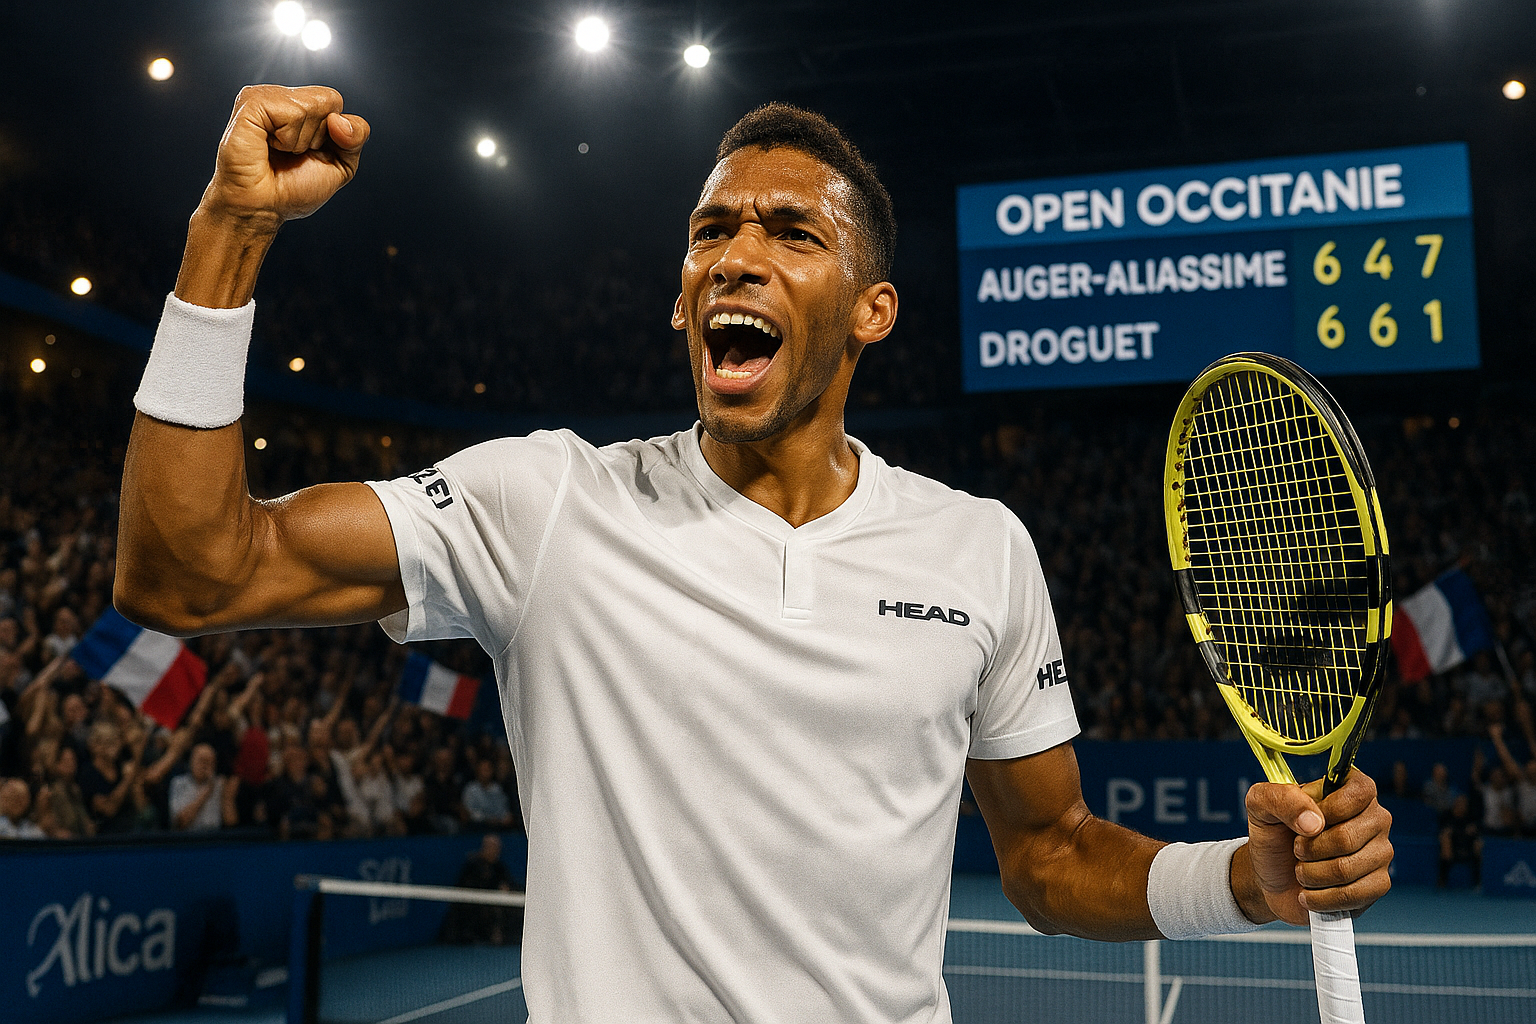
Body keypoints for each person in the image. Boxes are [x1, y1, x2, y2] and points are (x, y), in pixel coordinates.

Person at [114, 85, 1393, 1022]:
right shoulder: (546, 503)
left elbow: (1050, 854)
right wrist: (230, 228)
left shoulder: (979, 547)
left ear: (871, 311)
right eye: (712, 230)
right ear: (682, 298)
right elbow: (191, 573)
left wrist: (1241, 879)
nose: (737, 252)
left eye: (793, 232)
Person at [168, 742, 239, 832]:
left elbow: (231, 823)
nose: (205, 766)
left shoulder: (220, 784)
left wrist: (227, 798)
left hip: (213, 839)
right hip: (187, 839)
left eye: (209, 762)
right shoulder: (178, 783)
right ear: (191, 761)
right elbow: (180, 823)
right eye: (201, 760)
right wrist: (207, 791)